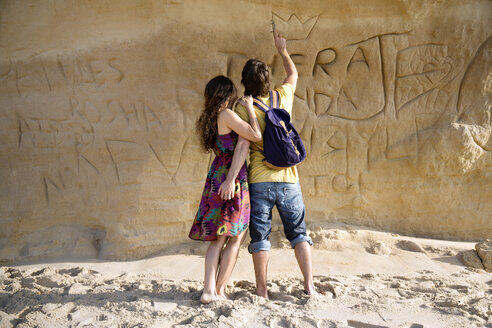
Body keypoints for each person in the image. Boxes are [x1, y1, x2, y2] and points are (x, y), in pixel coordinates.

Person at [232, 29, 316, 298]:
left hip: (259, 179)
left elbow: (243, 143)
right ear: (268, 80)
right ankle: (309, 285)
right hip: (289, 178)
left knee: (260, 237)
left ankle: (262, 289)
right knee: (299, 234)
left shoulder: (242, 108)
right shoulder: (282, 98)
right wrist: (283, 51)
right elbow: (293, 76)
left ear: (244, 81)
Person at [189, 75, 261, 304]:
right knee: (236, 235)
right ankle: (217, 291)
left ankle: (208, 289)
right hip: (232, 176)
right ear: (226, 94)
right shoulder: (227, 115)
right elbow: (255, 135)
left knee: (217, 239)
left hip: (216, 174)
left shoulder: (207, 118)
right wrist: (250, 110)